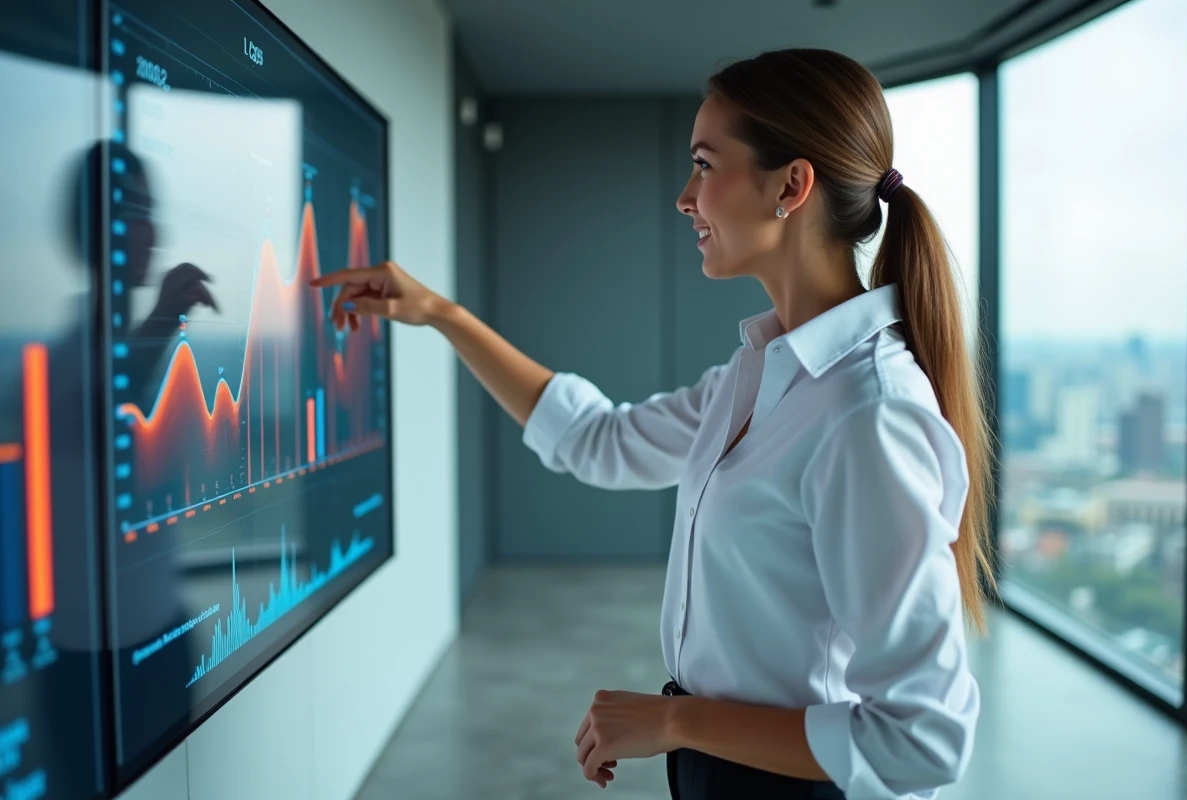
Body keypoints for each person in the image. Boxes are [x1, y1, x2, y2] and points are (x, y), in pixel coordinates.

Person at [313, 47, 994, 800]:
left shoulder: (868, 416)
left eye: (705, 164)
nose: (684, 196)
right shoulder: (758, 374)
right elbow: (596, 440)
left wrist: (676, 723)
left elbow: (923, 738)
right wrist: (441, 315)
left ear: (791, 186)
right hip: (721, 772)